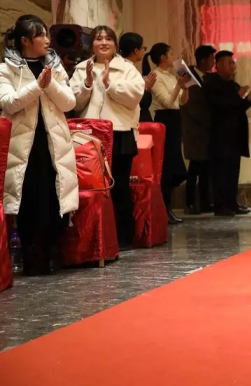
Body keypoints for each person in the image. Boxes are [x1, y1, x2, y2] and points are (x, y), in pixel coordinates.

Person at [0, 15, 79, 274]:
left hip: (53, 142)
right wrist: (37, 86)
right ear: (25, 41)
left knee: (55, 198)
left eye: (47, 34)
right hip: (24, 146)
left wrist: (49, 84)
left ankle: (51, 254)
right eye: (41, 35)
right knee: (29, 201)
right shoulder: (6, 69)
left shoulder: (54, 66)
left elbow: (69, 103)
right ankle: (33, 260)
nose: (47, 40)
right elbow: (9, 103)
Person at [71, 26, 145, 250]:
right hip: (90, 135)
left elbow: (135, 97)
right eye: (98, 39)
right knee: (94, 186)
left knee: (119, 186)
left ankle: (123, 236)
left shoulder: (127, 68)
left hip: (120, 132)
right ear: (91, 44)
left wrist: (110, 84)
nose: (103, 42)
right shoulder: (82, 68)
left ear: (115, 44)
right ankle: (96, 237)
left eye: (108, 39)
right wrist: (87, 84)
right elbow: (74, 103)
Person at [205, 51, 251, 217]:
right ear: (219, 64)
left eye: (233, 62)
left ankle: (232, 202)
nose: (233, 66)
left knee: (233, 172)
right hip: (220, 136)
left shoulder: (233, 84)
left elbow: (237, 108)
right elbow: (219, 106)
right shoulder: (212, 84)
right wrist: (238, 96)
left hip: (235, 136)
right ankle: (220, 205)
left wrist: (248, 100)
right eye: (229, 62)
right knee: (220, 173)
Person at [144, 43, 191, 224]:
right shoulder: (155, 76)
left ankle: (168, 207)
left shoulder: (171, 76)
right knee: (166, 166)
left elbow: (182, 102)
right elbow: (167, 103)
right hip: (164, 121)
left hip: (175, 120)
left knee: (174, 164)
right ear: (163, 57)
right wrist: (179, 85)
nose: (174, 57)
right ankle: (165, 208)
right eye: (171, 54)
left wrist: (185, 88)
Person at [182, 45, 215, 215]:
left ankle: (204, 202)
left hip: (206, 131)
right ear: (203, 60)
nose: (213, 63)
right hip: (194, 130)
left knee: (205, 168)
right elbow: (190, 106)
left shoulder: (208, 78)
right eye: (212, 59)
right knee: (194, 168)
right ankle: (189, 203)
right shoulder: (188, 75)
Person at [118, 32, 156, 123]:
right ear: (136, 51)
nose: (144, 51)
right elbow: (132, 99)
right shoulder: (126, 68)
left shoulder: (125, 66)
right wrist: (145, 88)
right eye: (143, 48)